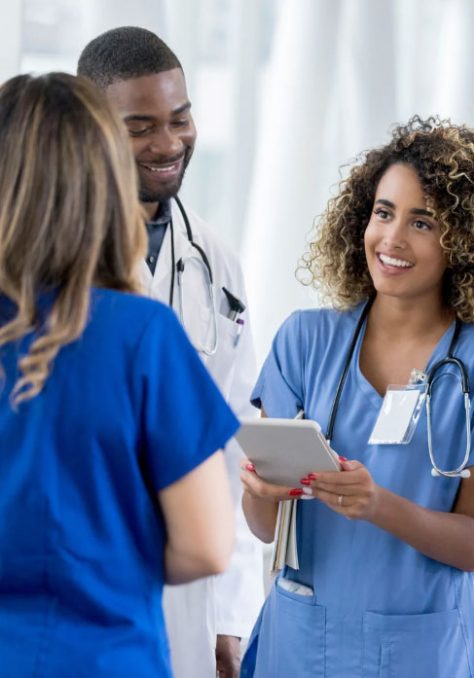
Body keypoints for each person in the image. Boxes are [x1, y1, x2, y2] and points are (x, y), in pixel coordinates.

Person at [238, 117, 474, 676]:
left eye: (422, 222)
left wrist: (377, 505)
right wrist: (263, 490)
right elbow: (264, 526)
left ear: (465, 240)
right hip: (303, 643)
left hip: (421, 651)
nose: (393, 240)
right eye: (384, 213)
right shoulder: (304, 341)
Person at [0, 73, 237, 676]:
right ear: (104, 181)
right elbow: (206, 544)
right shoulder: (141, 335)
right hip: (103, 656)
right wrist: (95, 557)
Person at [77, 27, 264, 677]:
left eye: (180, 119)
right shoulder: (49, 266)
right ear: (94, 128)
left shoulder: (214, 259)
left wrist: (233, 614)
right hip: (83, 579)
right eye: (140, 126)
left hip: (190, 591)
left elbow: (232, 442)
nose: (168, 143)